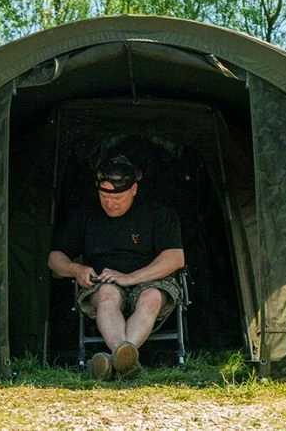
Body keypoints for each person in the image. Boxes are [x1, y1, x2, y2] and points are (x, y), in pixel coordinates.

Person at [48, 155, 185, 380]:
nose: (110, 204)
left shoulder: (157, 213)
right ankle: (123, 359)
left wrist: (130, 277)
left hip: (151, 279)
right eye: (104, 197)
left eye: (118, 198)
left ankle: (114, 359)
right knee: (107, 295)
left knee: (150, 297)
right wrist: (76, 269)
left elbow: (175, 259)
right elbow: (54, 258)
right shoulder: (86, 214)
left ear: (134, 190)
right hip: (104, 281)